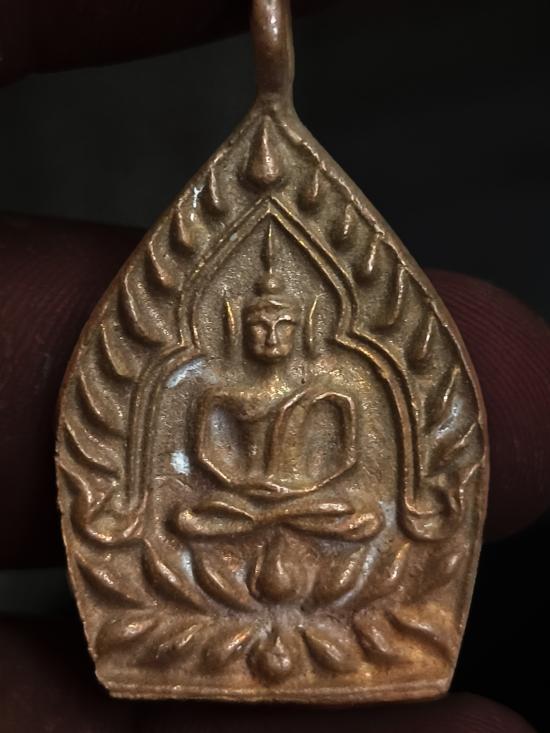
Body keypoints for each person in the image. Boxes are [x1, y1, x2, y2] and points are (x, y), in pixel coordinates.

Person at [0, 1, 549, 731]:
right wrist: (249, 496)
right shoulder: (213, 388)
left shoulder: (337, 387)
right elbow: (203, 467)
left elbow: (346, 467)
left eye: (279, 323)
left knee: (356, 516)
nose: (267, 333)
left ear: (303, 325)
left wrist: (296, 499)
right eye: (257, 323)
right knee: (195, 512)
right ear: (237, 323)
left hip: (314, 510)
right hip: (228, 513)